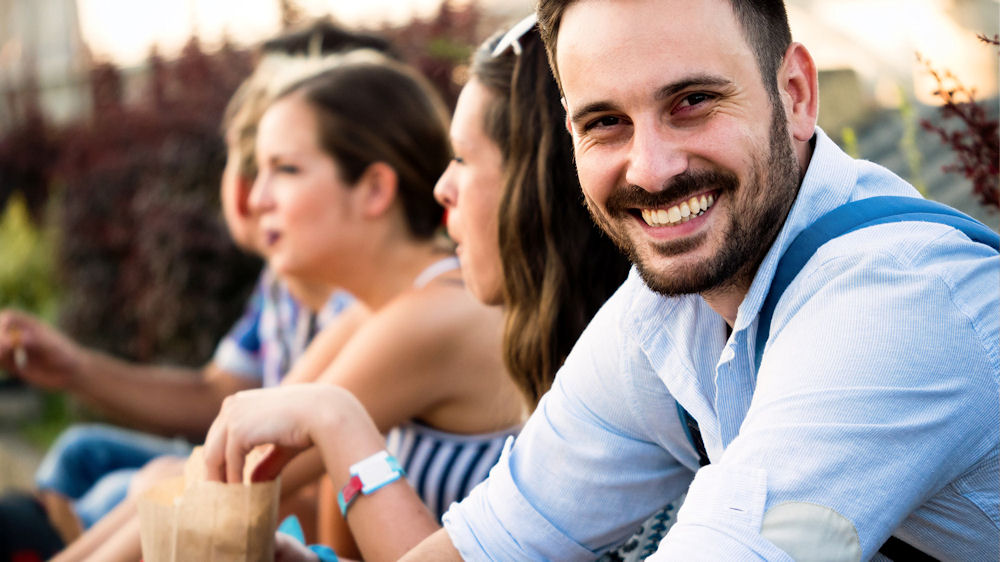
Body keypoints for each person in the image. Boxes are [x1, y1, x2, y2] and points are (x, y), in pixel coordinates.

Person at [399, 1, 1000, 560]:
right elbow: (489, 544)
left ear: (795, 94)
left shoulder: (896, 302)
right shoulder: (667, 311)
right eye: (606, 121)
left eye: (692, 101)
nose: (651, 170)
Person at [202, 17, 664, 562]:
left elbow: (219, 486)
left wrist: (338, 423)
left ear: (538, 185)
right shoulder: (578, 357)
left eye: (464, 159)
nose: (443, 187)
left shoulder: (639, 377)